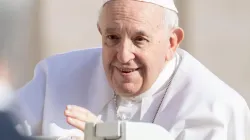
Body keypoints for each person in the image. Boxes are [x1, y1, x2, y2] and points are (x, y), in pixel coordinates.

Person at [14, 0, 250, 139]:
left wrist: (111, 133)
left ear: (171, 42)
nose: (123, 55)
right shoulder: (55, 77)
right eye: (113, 37)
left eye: (139, 39)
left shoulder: (218, 107)